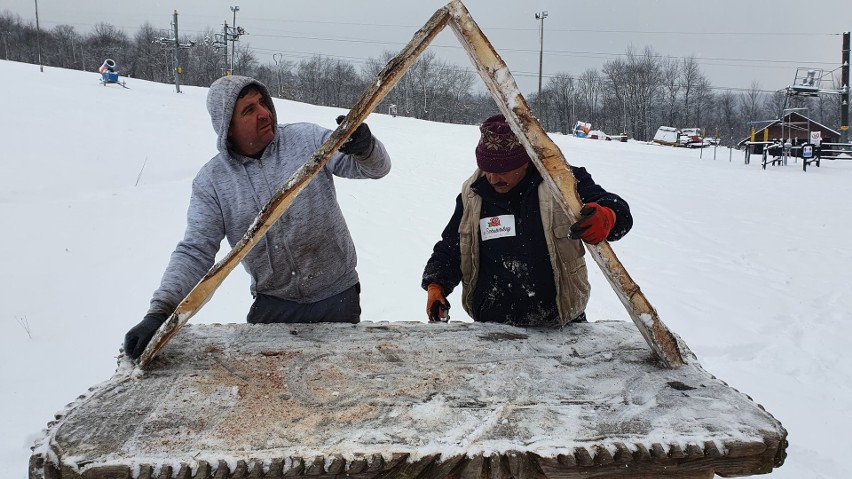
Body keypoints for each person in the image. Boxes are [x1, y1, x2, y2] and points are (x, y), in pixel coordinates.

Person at [123, 75, 391, 360]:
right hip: (274, 304)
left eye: (263, 102)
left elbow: (375, 169)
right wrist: (160, 311)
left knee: (336, 382)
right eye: (248, 110)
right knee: (266, 391)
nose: (264, 112)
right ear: (227, 126)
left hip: (337, 295)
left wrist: (365, 148)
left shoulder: (307, 140)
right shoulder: (213, 182)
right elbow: (196, 250)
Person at [422, 114, 632, 327]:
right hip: (493, 326)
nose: (493, 179)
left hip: (561, 323)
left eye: (502, 171)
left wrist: (609, 216)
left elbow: (616, 208)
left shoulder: (562, 182)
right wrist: (436, 285)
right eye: (487, 170)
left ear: (525, 160)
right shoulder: (473, 194)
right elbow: (451, 247)